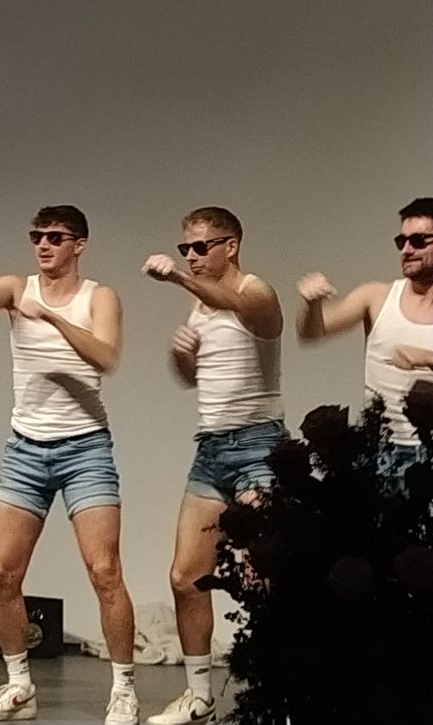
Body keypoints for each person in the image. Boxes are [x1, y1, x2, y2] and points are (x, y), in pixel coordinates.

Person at [0, 206, 137, 725]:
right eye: (37, 237)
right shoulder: (16, 288)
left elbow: (106, 356)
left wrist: (51, 317)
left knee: (105, 571)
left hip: (85, 448)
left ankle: (124, 689)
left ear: (79, 244)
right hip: (26, 449)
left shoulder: (99, 296)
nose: (43, 245)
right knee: (2, 574)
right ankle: (19, 685)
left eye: (55, 237)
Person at [141, 207, 285, 725]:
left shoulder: (256, 290)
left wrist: (179, 278)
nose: (192, 257)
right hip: (211, 450)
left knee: (259, 576)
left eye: (201, 247)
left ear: (231, 246)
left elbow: (239, 306)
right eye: (186, 249)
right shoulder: (199, 303)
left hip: (259, 448)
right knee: (186, 577)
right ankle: (198, 695)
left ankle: (277, 692)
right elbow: (192, 379)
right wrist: (182, 355)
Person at [297, 197, 433, 486]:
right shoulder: (377, 296)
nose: (407, 250)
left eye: (418, 241)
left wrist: (425, 358)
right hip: (381, 450)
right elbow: (313, 332)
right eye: (401, 241)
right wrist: (311, 304)